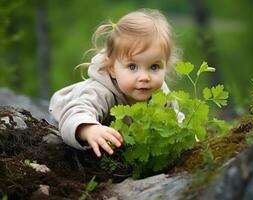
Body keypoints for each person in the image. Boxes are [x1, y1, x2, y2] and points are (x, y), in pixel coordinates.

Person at [49, 8, 184, 158]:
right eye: (132, 66)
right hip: (67, 113)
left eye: (154, 67)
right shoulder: (101, 92)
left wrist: (187, 134)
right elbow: (76, 112)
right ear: (112, 68)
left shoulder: (161, 95)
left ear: (166, 65)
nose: (145, 77)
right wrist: (88, 129)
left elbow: (175, 119)